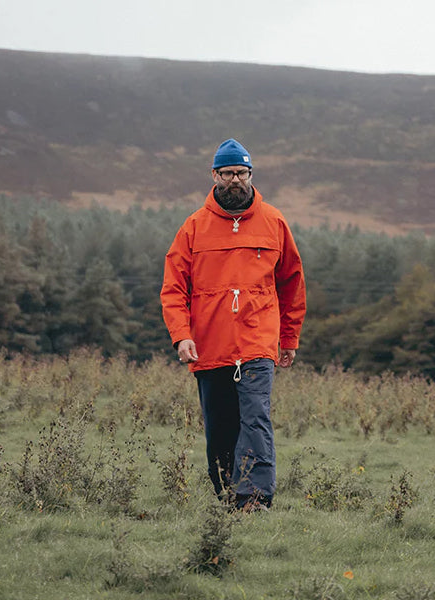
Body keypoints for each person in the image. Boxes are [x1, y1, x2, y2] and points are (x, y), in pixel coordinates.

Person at [160, 138, 306, 511]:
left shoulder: (274, 222)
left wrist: (288, 338)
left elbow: (291, 281)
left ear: (251, 174)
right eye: (227, 174)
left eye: (241, 173)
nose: (235, 180)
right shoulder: (193, 227)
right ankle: (227, 494)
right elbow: (173, 288)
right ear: (214, 175)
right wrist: (181, 337)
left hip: (257, 343)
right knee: (221, 428)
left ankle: (254, 498)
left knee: (255, 417)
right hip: (210, 345)